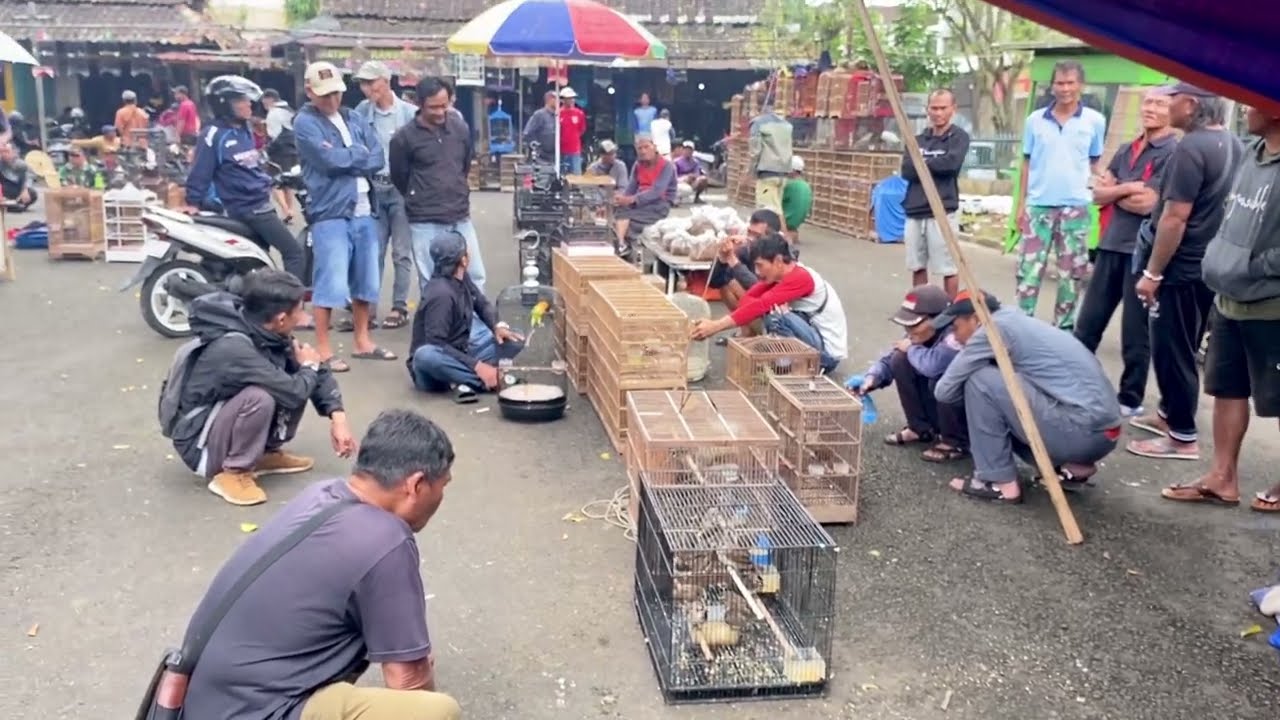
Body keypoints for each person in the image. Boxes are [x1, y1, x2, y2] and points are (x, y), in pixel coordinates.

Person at [176, 409, 461, 720]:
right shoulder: (387, 540)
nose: (441, 497)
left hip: (206, 698)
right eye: (442, 486)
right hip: (254, 711)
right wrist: (416, 677)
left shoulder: (321, 495)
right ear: (416, 484)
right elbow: (408, 682)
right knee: (436, 712)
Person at [1160, 106, 1280, 510]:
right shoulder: (1253, 152)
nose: (1246, 109)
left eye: (1253, 102)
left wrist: (1252, 267)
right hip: (1229, 297)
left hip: (1272, 304)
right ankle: (1222, 478)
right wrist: (1223, 259)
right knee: (1227, 389)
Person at [168, 270, 354, 507]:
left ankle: (262, 454)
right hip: (199, 444)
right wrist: (308, 366)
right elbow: (295, 390)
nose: (304, 317)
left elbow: (316, 366)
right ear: (281, 318)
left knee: (296, 371)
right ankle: (234, 473)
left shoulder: (265, 328)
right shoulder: (234, 347)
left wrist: (338, 417)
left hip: (221, 421)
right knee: (263, 396)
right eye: (300, 310)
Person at [1127, 83, 1243, 462]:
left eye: (1172, 98)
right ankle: (1168, 414)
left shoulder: (1190, 148)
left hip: (1180, 267)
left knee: (1172, 348)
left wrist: (1154, 272)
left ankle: (1182, 435)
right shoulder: (1233, 143)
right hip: (1208, 264)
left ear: (1191, 103)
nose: (1166, 104)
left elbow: (1175, 216)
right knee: (1186, 343)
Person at [934, 290, 1121, 503]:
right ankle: (1073, 467)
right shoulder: (1015, 319)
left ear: (976, 319)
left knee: (980, 381)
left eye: (955, 327)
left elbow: (944, 392)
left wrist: (975, 405)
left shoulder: (991, 330)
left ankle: (998, 482)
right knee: (1002, 386)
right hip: (1103, 434)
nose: (954, 336)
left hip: (1081, 432)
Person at [1074, 89, 1175, 418]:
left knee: (1135, 333)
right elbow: (1096, 194)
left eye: (1160, 103)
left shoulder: (1173, 152)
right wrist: (1129, 187)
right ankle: (1071, 383)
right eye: (1148, 102)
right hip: (1109, 244)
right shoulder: (1126, 148)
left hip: (1142, 251)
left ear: (1173, 111)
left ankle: (1130, 397)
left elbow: (1149, 203)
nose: (1151, 108)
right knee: (1087, 324)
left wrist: (1115, 190)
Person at [294, 61, 394, 373]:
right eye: (325, 95)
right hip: (331, 211)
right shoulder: (304, 122)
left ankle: (363, 341)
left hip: (366, 207)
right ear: (310, 91)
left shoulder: (353, 117)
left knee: (366, 279)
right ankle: (323, 349)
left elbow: (377, 157)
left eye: (336, 93)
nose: (332, 100)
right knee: (330, 281)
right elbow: (327, 160)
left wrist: (351, 158)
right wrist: (357, 155)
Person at [184, 75, 309, 287]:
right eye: (241, 100)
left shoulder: (243, 130)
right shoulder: (214, 134)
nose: (249, 103)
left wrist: (272, 177)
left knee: (258, 258)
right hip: (250, 208)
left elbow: (251, 165)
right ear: (224, 104)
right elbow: (201, 171)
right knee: (294, 253)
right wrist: (193, 202)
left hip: (258, 203)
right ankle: (291, 307)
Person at [1013, 60, 1107, 329]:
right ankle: (1021, 327)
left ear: (1081, 85)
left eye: (1070, 83)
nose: (1065, 89)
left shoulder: (1094, 121)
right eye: (1059, 83)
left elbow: (1094, 162)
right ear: (1052, 85)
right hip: (1039, 207)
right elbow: (1027, 163)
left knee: (1071, 274)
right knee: (1028, 272)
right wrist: (1022, 206)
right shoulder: (1035, 120)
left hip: (1075, 209)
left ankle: (1063, 332)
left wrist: (1098, 188)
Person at [691, 233, 848, 372]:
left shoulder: (801, 278)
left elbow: (760, 305)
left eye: (760, 265)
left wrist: (715, 326)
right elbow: (748, 300)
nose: (757, 272)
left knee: (776, 315)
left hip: (826, 357)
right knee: (768, 309)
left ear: (778, 261)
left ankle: (792, 365)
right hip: (814, 337)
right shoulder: (780, 275)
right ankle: (785, 361)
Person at [391, 76, 487, 296]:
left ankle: (479, 330)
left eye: (445, 105)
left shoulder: (459, 127)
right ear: (419, 104)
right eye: (433, 107)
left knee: (475, 275)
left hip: (459, 215)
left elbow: (464, 164)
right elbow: (400, 177)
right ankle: (437, 329)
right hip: (424, 219)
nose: (441, 112)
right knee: (432, 281)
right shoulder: (403, 138)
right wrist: (420, 194)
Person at [853, 285, 967, 462]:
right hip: (937, 402)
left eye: (913, 324)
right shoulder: (917, 336)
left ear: (938, 319)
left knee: (940, 380)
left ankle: (954, 442)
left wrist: (911, 349)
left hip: (964, 411)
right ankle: (920, 428)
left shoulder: (955, 335)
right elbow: (889, 357)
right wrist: (872, 379)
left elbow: (933, 366)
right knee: (899, 358)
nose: (908, 331)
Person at [408, 232, 523, 404]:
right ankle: (488, 381)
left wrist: (497, 326)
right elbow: (437, 344)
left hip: (463, 351)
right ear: (463, 260)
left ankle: (464, 379)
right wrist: (478, 366)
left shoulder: (461, 277)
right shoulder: (441, 294)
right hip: (438, 365)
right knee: (425, 355)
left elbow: (481, 303)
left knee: (516, 337)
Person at [355, 60, 419, 330]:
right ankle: (367, 309)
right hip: (373, 189)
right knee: (373, 251)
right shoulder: (361, 112)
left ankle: (399, 307)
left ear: (386, 80)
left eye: (372, 82)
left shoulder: (409, 113)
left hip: (401, 190)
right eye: (363, 83)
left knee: (401, 252)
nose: (367, 88)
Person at [901, 88, 969, 297]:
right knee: (917, 265)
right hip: (915, 209)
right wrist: (931, 165)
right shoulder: (917, 140)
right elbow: (907, 170)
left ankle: (950, 310)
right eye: (934, 108)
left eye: (943, 108)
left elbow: (951, 164)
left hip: (942, 210)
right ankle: (921, 307)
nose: (938, 113)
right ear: (927, 110)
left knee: (947, 267)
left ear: (953, 109)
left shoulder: (958, 137)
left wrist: (922, 164)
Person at [708, 208, 782, 316]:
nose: (750, 239)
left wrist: (733, 261)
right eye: (749, 233)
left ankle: (754, 327)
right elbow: (715, 282)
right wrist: (723, 259)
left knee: (741, 285)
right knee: (727, 284)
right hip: (761, 306)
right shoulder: (747, 250)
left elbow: (761, 289)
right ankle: (747, 328)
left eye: (757, 236)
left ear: (772, 236)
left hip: (778, 313)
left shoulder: (780, 257)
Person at [613, 133, 676, 252]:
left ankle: (621, 244)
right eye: (640, 148)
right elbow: (630, 188)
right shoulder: (638, 165)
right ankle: (621, 243)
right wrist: (621, 200)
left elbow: (657, 192)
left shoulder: (666, 166)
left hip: (659, 204)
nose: (643, 151)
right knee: (617, 212)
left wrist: (632, 200)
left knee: (626, 222)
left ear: (654, 147)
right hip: (641, 203)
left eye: (646, 147)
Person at [748, 103, 794, 224]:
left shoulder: (758, 123)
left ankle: (785, 239)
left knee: (768, 212)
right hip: (783, 174)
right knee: (777, 208)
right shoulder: (786, 125)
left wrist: (749, 172)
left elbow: (755, 151)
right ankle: (779, 238)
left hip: (767, 174)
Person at [261, 88, 299, 223]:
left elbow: (274, 135)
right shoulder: (289, 110)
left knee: (274, 183)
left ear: (270, 99)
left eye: (264, 100)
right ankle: (291, 210)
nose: (263, 103)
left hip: (279, 152)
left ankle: (285, 210)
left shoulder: (273, 113)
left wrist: (267, 149)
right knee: (287, 182)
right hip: (293, 150)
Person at [782, 155, 813, 245]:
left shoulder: (790, 185)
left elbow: (777, 200)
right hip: (797, 221)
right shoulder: (806, 185)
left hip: (788, 219)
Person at [521, 90, 558, 162]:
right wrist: (535, 145)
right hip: (541, 157)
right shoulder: (539, 115)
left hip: (555, 156)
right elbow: (527, 133)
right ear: (550, 99)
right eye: (556, 99)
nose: (559, 102)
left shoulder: (557, 116)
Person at [558, 86, 586, 175]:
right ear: (563, 100)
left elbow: (582, 129)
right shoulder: (558, 113)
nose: (571, 100)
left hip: (575, 149)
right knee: (562, 174)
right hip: (560, 149)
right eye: (568, 98)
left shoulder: (579, 113)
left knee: (576, 174)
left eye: (572, 98)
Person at [0, 142, 35, 210]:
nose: (4, 154)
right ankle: (10, 206)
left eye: (7, 151)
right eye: (2, 152)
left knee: (32, 193)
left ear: (14, 152)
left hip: (17, 191)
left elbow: (29, 176)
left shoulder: (21, 164)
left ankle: (14, 205)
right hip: (4, 191)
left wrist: (25, 189)